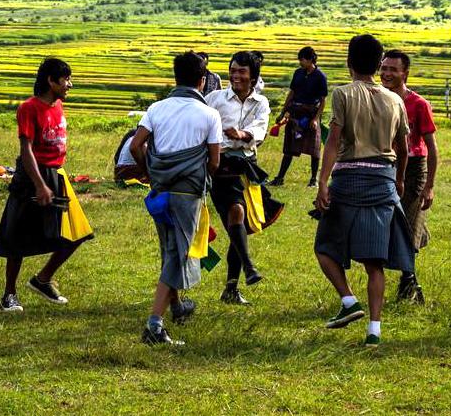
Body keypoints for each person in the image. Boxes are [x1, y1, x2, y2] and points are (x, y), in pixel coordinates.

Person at [314, 34, 413, 347]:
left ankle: (348, 300)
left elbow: (333, 141)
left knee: (325, 246)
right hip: (383, 180)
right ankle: (374, 331)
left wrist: (322, 181)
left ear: (349, 62)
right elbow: (404, 148)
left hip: (348, 180)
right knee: (374, 262)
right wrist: (399, 179)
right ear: (378, 64)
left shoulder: (343, 93)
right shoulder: (395, 100)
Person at [130, 51, 223, 346]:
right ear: (202, 80)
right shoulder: (209, 114)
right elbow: (214, 161)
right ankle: (154, 325)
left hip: (159, 191)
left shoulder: (156, 108)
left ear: (175, 77)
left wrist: (150, 172)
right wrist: (199, 174)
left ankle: (178, 307)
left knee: (168, 249)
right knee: (177, 254)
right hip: (187, 193)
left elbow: (135, 146)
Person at [0, 58, 93, 312]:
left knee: (77, 233)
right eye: (66, 79)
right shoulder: (29, 109)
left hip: (56, 176)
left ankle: (43, 279)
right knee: (17, 235)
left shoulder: (58, 105)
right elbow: (26, 150)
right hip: (31, 177)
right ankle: (9, 294)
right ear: (51, 81)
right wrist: (39, 185)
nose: (70, 85)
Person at [205, 51, 284, 305]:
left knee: (238, 228)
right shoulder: (214, 99)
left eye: (242, 71)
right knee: (237, 212)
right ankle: (249, 267)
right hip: (221, 167)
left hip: (247, 168)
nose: (235, 76)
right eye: (233, 70)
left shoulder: (260, 103)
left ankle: (231, 288)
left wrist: (242, 134)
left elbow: (260, 130)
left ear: (253, 76)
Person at [379, 49, 438, 304]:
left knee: (408, 223)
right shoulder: (377, 99)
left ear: (405, 73)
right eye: (383, 68)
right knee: (390, 222)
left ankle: (408, 280)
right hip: (386, 166)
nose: (386, 73)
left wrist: (429, 186)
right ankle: (409, 279)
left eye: (393, 69)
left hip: (414, 169)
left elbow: (432, 149)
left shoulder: (419, 104)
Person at [272, 46, 328, 187]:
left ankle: (313, 180)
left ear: (310, 59)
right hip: (296, 114)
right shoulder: (298, 73)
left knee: (314, 149)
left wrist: (315, 119)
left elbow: (323, 101)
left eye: (302, 59)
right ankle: (279, 178)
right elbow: (291, 93)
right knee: (289, 147)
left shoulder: (320, 76)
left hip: (310, 116)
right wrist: (282, 112)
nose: (300, 62)